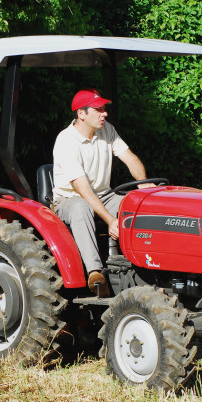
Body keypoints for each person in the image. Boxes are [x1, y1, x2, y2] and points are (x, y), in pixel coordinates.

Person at [52, 89, 154, 297]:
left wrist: (144, 187)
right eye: (98, 109)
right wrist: (110, 221)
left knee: (134, 204)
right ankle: (95, 273)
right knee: (81, 208)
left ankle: (146, 263)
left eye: (104, 109)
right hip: (70, 199)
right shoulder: (66, 141)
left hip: (104, 196)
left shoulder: (106, 130)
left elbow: (130, 158)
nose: (104, 113)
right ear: (81, 114)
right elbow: (83, 190)